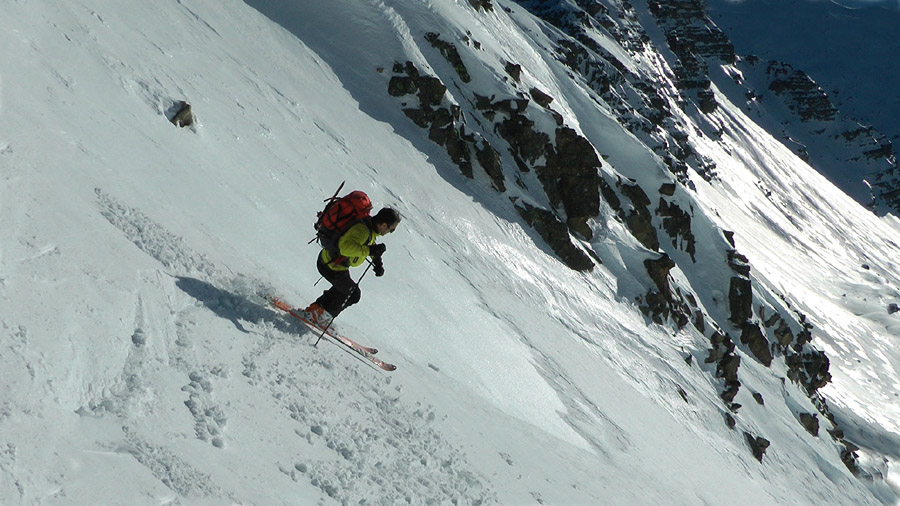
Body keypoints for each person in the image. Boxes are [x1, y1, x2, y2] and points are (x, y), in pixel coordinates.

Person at [301, 207, 402, 327]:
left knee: (345, 290)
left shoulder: (369, 228)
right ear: (384, 225)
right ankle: (320, 317)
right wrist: (370, 250)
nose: (389, 233)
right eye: (391, 230)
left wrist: (378, 262)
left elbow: (369, 245)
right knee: (352, 293)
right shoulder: (362, 230)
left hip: (335, 264)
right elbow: (345, 248)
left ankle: (315, 311)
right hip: (330, 265)